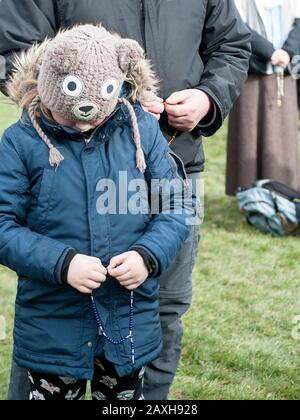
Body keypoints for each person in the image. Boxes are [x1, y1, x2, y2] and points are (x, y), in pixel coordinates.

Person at [0, 0, 251, 400]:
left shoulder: (146, 137)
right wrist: (89, 96)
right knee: (56, 333)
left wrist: (208, 97)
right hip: (58, 171)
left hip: (172, 158)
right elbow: (13, 47)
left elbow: (232, 44)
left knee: (164, 308)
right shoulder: (21, 145)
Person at [227, 0, 300, 196]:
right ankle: (248, 193)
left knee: (282, 134)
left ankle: (284, 192)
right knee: (248, 133)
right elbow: (238, 25)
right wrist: (269, 51)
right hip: (252, 71)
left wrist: (288, 51)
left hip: (286, 71)